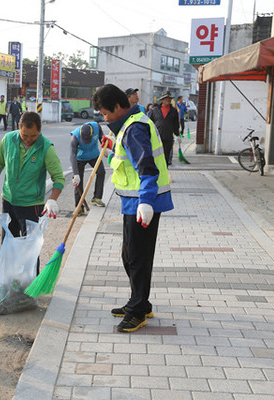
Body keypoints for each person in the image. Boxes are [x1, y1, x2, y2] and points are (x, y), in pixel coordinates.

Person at [92, 83, 173, 333]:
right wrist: (111, 145)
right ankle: (140, 302)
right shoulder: (128, 125)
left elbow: (147, 167)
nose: (105, 119)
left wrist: (146, 202)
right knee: (131, 256)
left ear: (118, 107)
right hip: (133, 202)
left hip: (143, 203)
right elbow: (125, 162)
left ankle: (138, 312)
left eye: (105, 114)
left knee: (137, 257)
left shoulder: (135, 127)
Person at [0, 111, 64, 273]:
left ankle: (31, 282)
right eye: (24, 135)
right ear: (19, 128)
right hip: (8, 201)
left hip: (31, 205)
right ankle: (9, 278)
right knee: (8, 243)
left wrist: (52, 199)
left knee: (30, 247)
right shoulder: (8, 140)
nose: (28, 140)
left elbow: (58, 179)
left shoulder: (46, 148)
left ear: (39, 131)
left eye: (33, 136)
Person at [69, 122, 106, 212]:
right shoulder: (75, 136)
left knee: (101, 172)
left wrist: (104, 147)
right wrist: (76, 173)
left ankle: (97, 198)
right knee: (79, 181)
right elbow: (72, 155)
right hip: (80, 158)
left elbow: (102, 137)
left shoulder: (97, 127)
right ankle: (79, 207)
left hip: (94, 155)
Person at [148, 91, 179, 166]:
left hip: (168, 137)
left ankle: (164, 173)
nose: (167, 100)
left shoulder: (174, 111)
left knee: (166, 157)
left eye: (169, 98)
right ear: (162, 100)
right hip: (156, 137)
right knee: (156, 157)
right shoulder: (155, 110)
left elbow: (176, 124)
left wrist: (178, 135)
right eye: (166, 98)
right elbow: (150, 123)